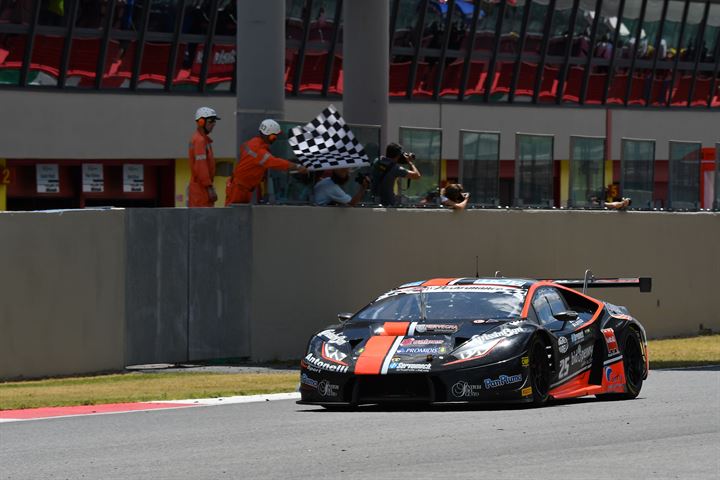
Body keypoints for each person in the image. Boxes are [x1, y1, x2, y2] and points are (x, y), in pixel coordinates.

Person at [225, 119, 307, 205]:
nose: (275, 139)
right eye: (274, 137)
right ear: (270, 136)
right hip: (239, 189)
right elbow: (275, 162)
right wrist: (297, 166)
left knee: (239, 214)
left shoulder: (253, 142)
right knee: (231, 214)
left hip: (242, 186)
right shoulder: (259, 151)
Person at [187, 106, 219, 207]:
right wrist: (209, 188)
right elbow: (201, 167)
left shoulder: (202, 140)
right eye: (211, 121)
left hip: (201, 188)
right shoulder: (200, 141)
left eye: (214, 121)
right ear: (201, 122)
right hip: (201, 191)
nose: (214, 124)